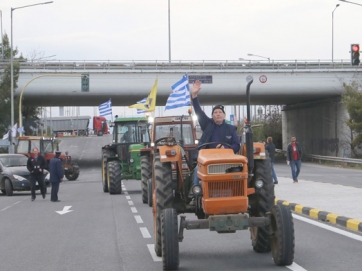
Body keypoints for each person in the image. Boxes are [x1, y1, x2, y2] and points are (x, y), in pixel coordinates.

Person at [191, 80, 240, 185]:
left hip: (226, 160)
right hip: (208, 160)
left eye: (220, 112)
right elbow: (198, 111)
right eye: (215, 112)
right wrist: (194, 95)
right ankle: (196, 193)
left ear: (224, 115)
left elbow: (236, 145)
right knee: (197, 171)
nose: (218, 114)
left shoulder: (231, 129)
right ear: (212, 115)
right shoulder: (207, 124)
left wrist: (226, 148)